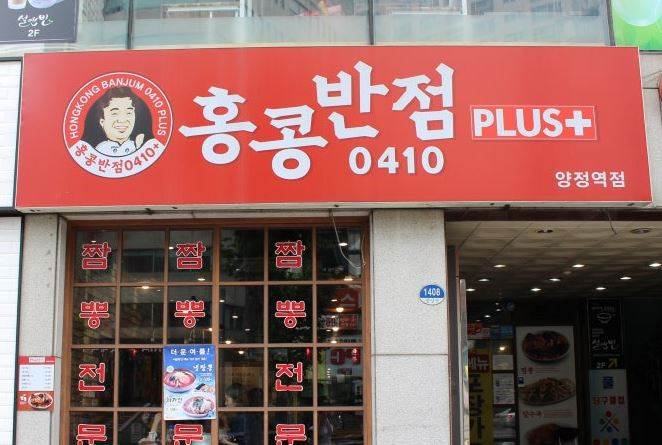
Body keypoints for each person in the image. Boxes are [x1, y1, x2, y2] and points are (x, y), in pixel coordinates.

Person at [82, 86, 155, 157]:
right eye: (114, 113)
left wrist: (139, 148)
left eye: (128, 113)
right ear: (102, 122)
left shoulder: (140, 147)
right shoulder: (98, 151)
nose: (122, 120)